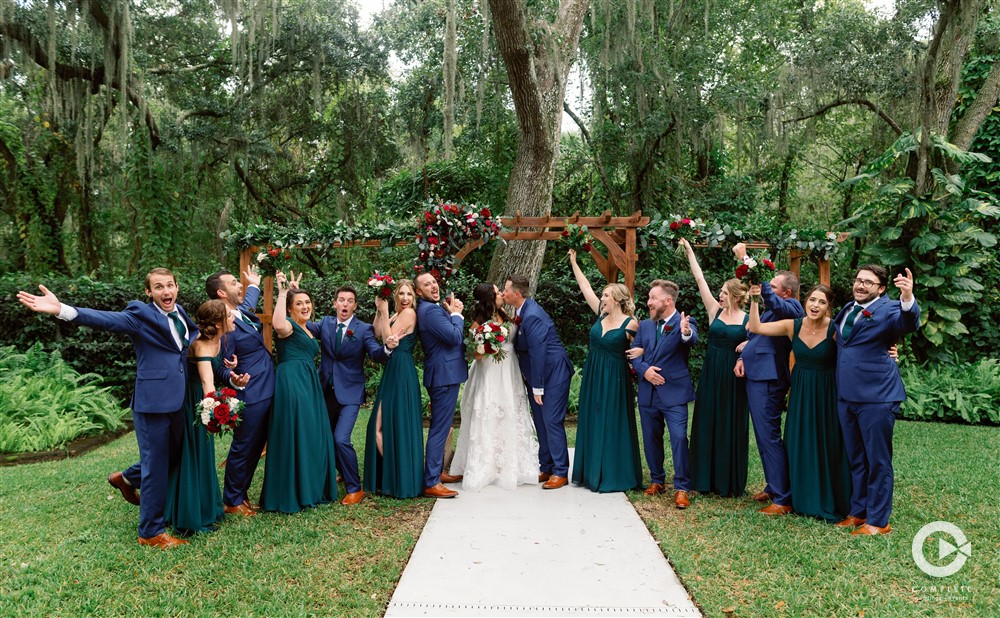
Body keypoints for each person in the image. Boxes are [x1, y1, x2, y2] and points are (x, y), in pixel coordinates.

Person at [17, 268, 209, 548]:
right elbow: (107, 320)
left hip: (178, 400)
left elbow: (188, 345)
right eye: (158, 287)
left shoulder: (181, 314)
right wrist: (63, 310)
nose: (165, 291)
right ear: (148, 292)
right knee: (156, 465)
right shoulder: (141, 315)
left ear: (177, 288)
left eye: (170, 285)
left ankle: (127, 477)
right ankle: (151, 533)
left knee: (173, 455)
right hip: (152, 402)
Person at [748, 285, 852, 522]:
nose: (815, 305)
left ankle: (829, 498)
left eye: (822, 302)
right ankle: (800, 499)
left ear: (829, 306)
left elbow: (860, 347)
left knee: (826, 442)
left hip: (827, 392)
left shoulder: (836, 329)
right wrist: (755, 300)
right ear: (805, 302)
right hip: (801, 392)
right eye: (812, 300)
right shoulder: (792, 325)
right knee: (800, 441)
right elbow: (756, 327)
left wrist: (890, 352)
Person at [834, 266, 920, 536]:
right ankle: (858, 512)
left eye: (868, 283)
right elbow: (843, 342)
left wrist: (907, 297)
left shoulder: (890, 308)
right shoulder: (848, 308)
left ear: (881, 288)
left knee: (878, 460)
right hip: (846, 395)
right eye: (858, 280)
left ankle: (879, 520)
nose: (860, 286)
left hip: (877, 396)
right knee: (857, 458)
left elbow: (907, 324)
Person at [732, 243, 804, 515]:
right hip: (756, 375)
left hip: (770, 378)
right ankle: (774, 486)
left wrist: (746, 260)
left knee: (769, 436)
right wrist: (743, 357)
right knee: (762, 436)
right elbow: (756, 335)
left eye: (772, 286)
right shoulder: (775, 308)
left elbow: (770, 300)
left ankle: (783, 498)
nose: (767, 290)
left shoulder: (793, 308)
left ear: (786, 292)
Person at [258, 272, 338, 513]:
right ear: (290, 309)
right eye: (299, 303)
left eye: (307, 302)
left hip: (308, 381)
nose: (305, 306)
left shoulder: (307, 327)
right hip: (292, 381)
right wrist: (283, 293)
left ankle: (311, 486)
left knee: (311, 431)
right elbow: (278, 323)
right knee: (297, 429)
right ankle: (293, 490)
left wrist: (295, 290)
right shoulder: (289, 326)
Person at [449, 283, 540, 491]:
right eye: (498, 292)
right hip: (490, 373)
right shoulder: (477, 324)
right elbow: (477, 355)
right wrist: (490, 344)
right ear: (490, 297)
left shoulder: (505, 316)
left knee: (509, 412)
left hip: (510, 371)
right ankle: (486, 465)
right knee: (490, 412)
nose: (501, 294)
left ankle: (509, 463)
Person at [679, 238, 751, 498]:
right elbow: (699, 280)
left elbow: (761, 339)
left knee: (731, 421)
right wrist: (689, 252)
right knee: (707, 419)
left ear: (734, 295)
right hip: (712, 372)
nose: (719, 294)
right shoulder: (714, 311)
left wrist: (748, 344)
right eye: (719, 291)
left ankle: (727, 480)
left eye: (723, 292)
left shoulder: (747, 318)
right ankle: (702, 478)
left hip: (734, 375)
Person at [308, 286, 391, 505]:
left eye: (350, 301)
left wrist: (387, 349)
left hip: (351, 393)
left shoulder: (362, 329)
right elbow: (299, 325)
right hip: (325, 392)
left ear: (355, 305)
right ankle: (343, 471)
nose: (345, 304)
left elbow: (375, 353)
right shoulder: (324, 324)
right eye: (341, 300)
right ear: (335, 303)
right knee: (325, 437)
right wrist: (292, 296)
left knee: (340, 438)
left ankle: (355, 487)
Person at [567, 251, 642, 493]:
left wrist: (640, 354)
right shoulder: (600, 314)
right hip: (593, 375)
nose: (602, 298)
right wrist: (574, 263)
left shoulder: (631, 324)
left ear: (618, 299)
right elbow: (585, 288)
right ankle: (590, 472)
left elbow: (646, 347)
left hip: (615, 379)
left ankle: (612, 472)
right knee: (593, 419)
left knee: (612, 422)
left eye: (606, 295)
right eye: (602, 295)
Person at [207, 268, 274, 517]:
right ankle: (232, 500)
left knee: (256, 446)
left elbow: (246, 303)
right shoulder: (225, 325)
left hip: (265, 388)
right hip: (250, 392)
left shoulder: (238, 312)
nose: (240, 285)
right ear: (222, 293)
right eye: (235, 283)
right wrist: (232, 379)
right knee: (244, 446)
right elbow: (218, 364)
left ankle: (241, 494)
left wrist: (255, 285)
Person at [628, 280, 698, 509]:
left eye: (652, 298)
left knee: (678, 437)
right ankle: (657, 480)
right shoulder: (645, 326)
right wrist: (644, 370)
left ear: (668, 301)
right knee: (650, 439)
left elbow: (691, 338)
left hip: (674, 394)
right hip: (648, 393)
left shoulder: (683, 322)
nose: (648, 302)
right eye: (649, 298)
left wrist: (686, 332)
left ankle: (681, 487)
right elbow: (634, 354)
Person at [164, 300, 232, 534]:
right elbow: (207, 383)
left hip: (201, 399)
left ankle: (206, 507)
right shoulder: (202, 346)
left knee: (203, 454)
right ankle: (191, 515)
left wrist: (229, 366)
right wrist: (220, 410)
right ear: (218, 323)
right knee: (194, 455)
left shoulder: (218, 340)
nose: (233, 318)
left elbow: (216, 370)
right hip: (195, 402)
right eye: (229, 315)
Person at [503, 275, 574, 490]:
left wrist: (538, 386)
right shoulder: (519, 311)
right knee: (541, 420)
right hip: (538, 374)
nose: (503, 293)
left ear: (516, 294)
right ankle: (547, 466)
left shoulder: (532, 315)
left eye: (506, 290)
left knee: (552, 419)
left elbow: (538, 353)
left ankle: (561, 472)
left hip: (553, 372)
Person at [363, 279, 423, 499]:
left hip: (402, 371)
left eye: (409, 294)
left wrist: (386, 311)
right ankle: (395, 474)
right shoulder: (397, 315)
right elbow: (379, 332)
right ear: (395, 296)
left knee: (382, 426)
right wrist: (380, 310)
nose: (405, 298)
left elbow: (389, 339)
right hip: (392, 370)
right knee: (381, 426)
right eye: (401, 294)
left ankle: (398, 476)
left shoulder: (409, 315)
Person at [414, 272, 469, 498]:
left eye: (434, 282)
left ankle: (436, 472)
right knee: (439, 428)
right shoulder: (430, 311)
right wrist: (457, 315)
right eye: (427, 285)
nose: (433, 286)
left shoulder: (435, 308)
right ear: (419, 292)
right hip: (443, 376)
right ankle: (432, 482)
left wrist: (450, 311)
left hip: (445, 374)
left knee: (443, 426)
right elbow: (454, 337)